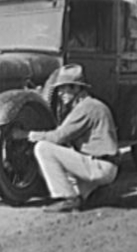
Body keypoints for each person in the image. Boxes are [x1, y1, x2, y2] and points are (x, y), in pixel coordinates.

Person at [14, 64, 120, 212]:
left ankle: (67, 198)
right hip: (104, 164)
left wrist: (27, 135)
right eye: (60, 89)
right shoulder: (92, 105)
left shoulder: (86, 108)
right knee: (73, 183)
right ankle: (94, 192)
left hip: (99, 166)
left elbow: (58, 136)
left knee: (43, 148)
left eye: (65, 88)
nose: (60, 93)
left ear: (77, 89)